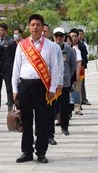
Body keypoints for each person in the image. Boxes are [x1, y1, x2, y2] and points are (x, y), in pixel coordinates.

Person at [12, 14, 62, 164]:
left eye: (38, 25)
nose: (35, 27)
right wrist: (14, 89)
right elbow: (16, 68)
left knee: (42, 121)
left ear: (43, 27)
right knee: (26, 120)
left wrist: (52, 88)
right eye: (33, 25)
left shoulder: (50, 46)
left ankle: (41, 152)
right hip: (24, 86)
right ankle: (26, 151)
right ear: (29, 27)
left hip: (42, 87)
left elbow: (55, 68)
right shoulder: (22, 45)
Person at [54, 28, 76, 139]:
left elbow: (73, 65)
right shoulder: (51, 48)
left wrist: (68, 77)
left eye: (61, 36)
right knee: (52, 106)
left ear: (64, 37)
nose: (59, 38)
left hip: (65, 83)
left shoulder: (69, 50)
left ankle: (65, 127)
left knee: (64, 106)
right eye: (56, 35)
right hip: (52, 83)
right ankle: (50, 130)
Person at [0, 23, 16, 111]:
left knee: (9, 88)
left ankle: (10, 106)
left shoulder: (11, 42)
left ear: (5, 31)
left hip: (8, 69)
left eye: (1, 30)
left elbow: (14, 56)